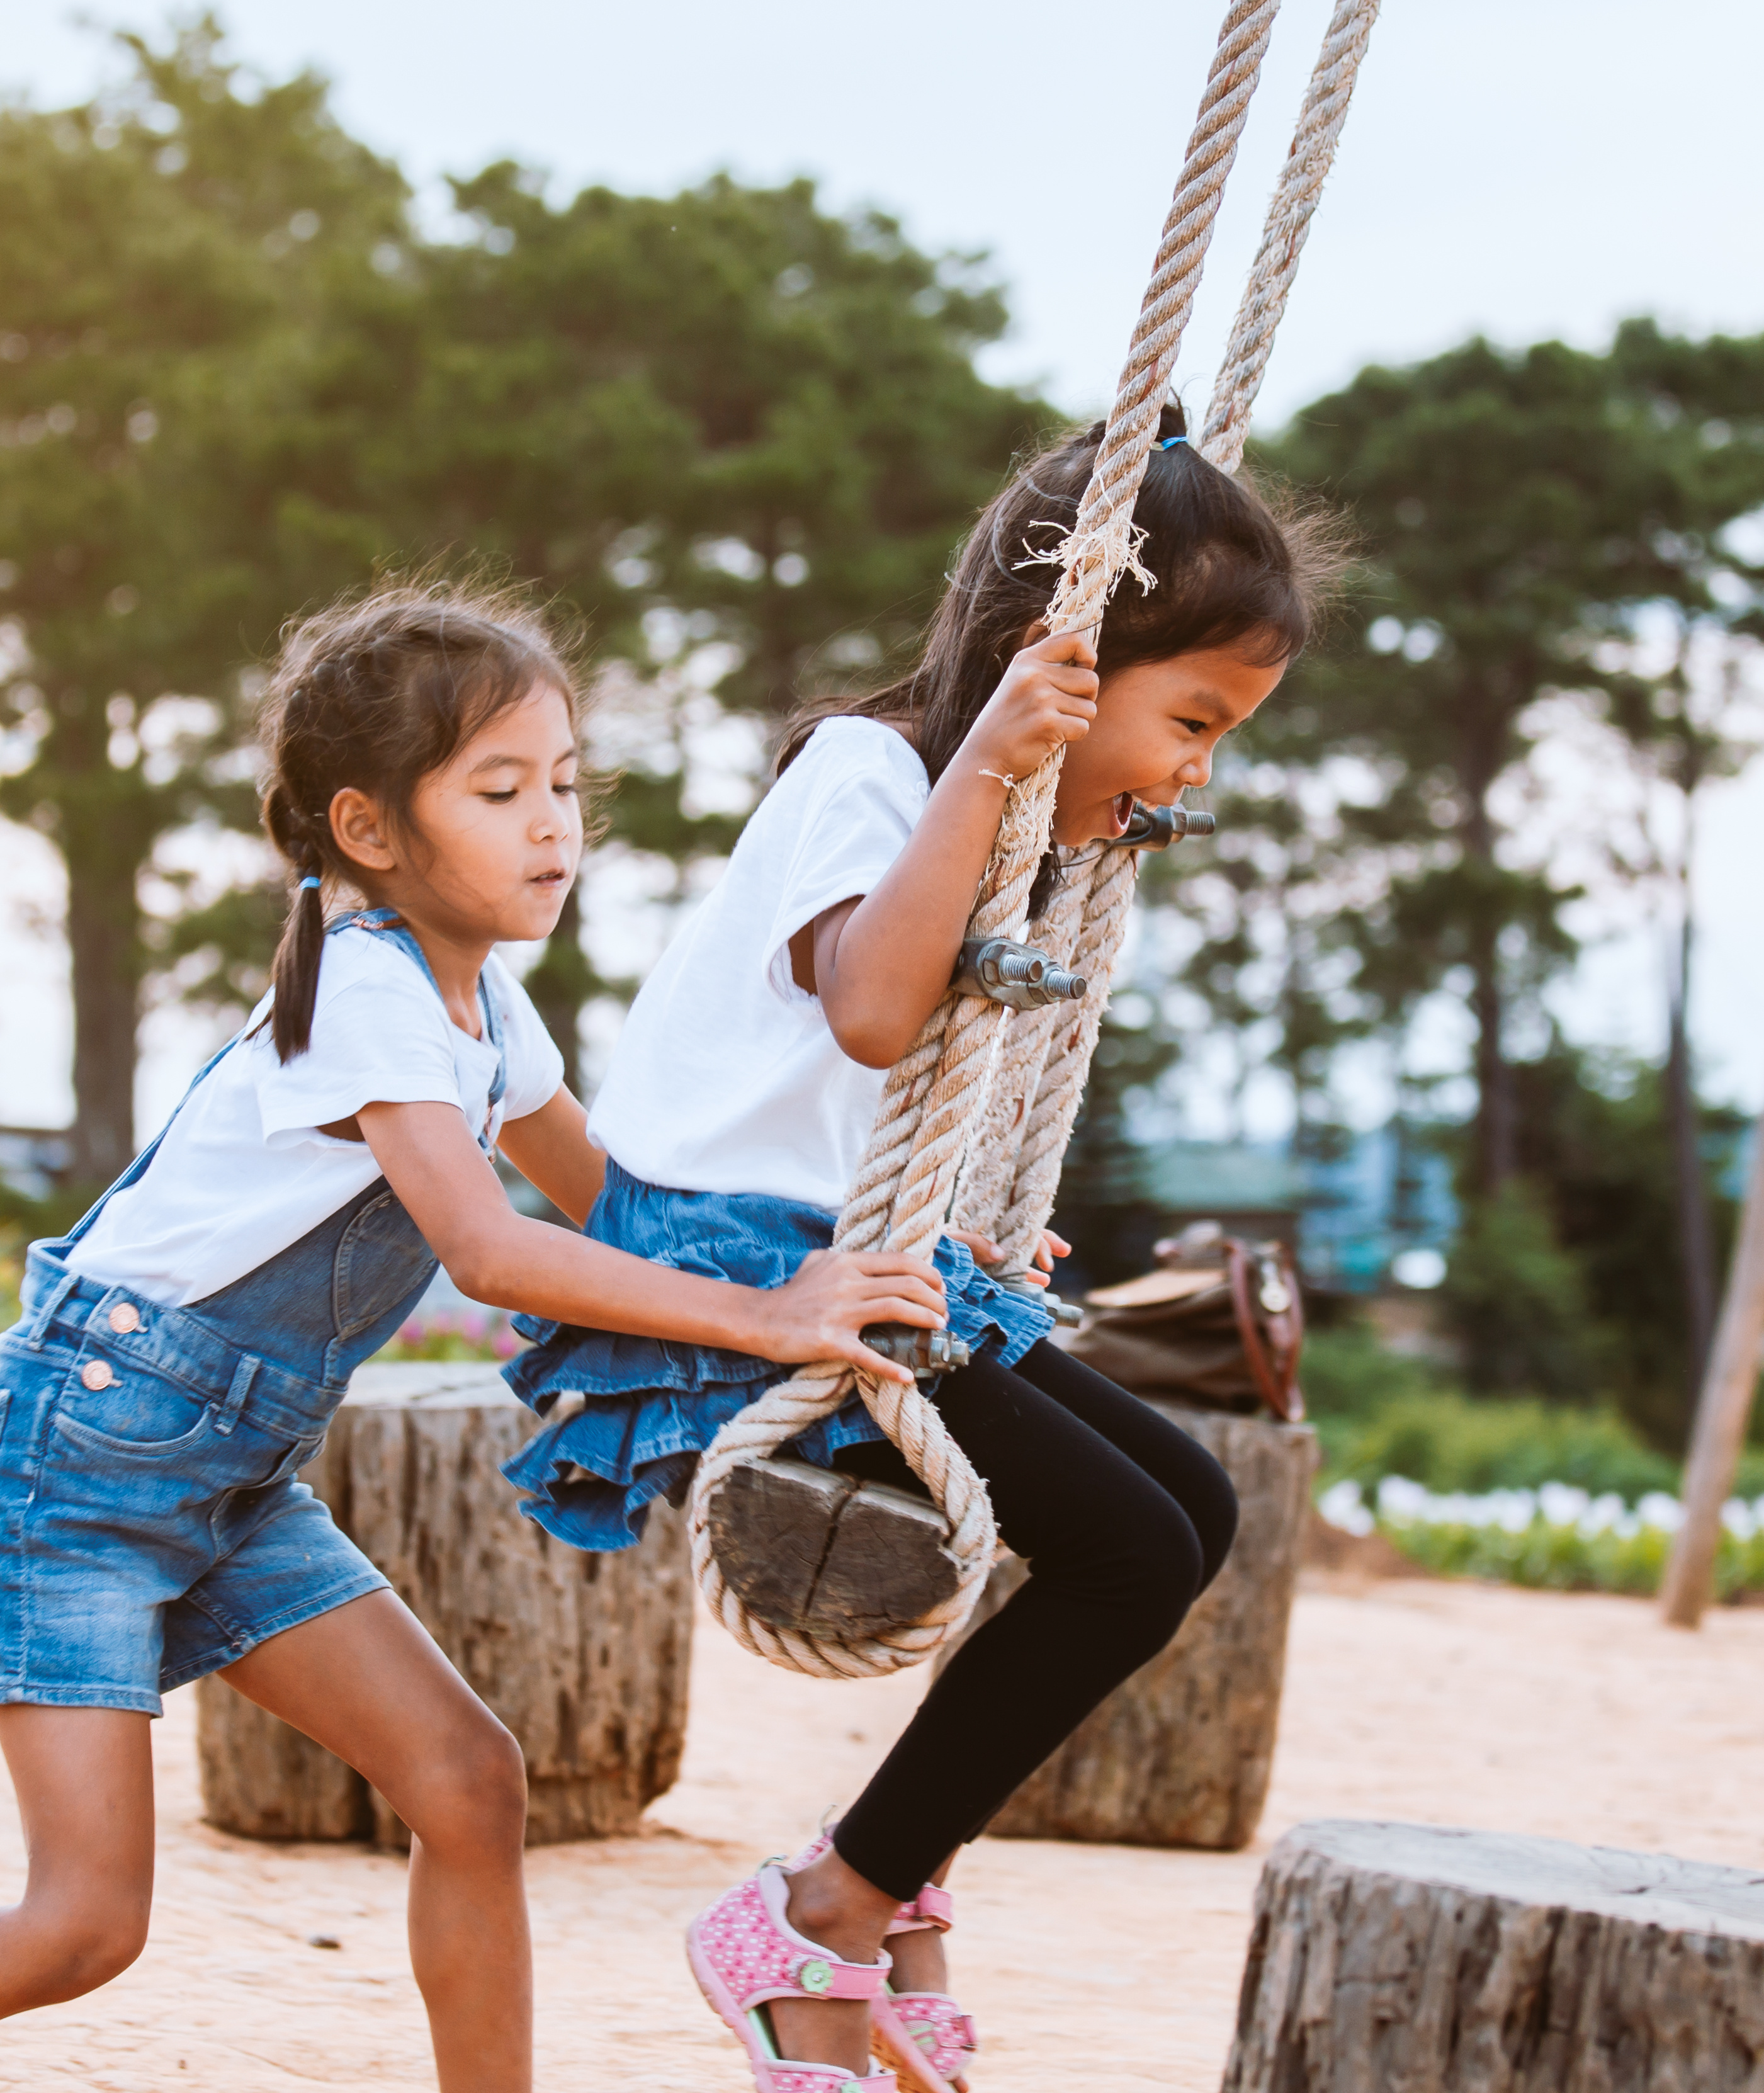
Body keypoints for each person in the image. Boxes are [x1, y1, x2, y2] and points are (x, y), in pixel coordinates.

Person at [0, 587, 947, 2093]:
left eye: (567, 786)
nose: (555, 828)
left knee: (468, 1783)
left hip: (233, 1478)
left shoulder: (491, 1012)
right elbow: (497, 1247)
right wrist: (770, 1313)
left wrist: (898, 1240)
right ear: (371, 831)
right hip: (81, 1460)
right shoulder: (373, 992)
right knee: (81, 1923)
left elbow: (632, 1218)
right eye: (501, 791)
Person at [500, 404, 1338, 2093]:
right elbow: (876, 1009)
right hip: (745, 1267)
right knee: (1117, 1547)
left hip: (862, 1241)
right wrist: (990, 763)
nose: (1194, 770)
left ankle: (889, 1877)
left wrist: (972, 1227)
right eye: (1190, 720)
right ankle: (823, 1909)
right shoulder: (871, 774)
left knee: (1190, 1511)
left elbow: (880, 1091)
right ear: (1069, 666)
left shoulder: (1011, 829)